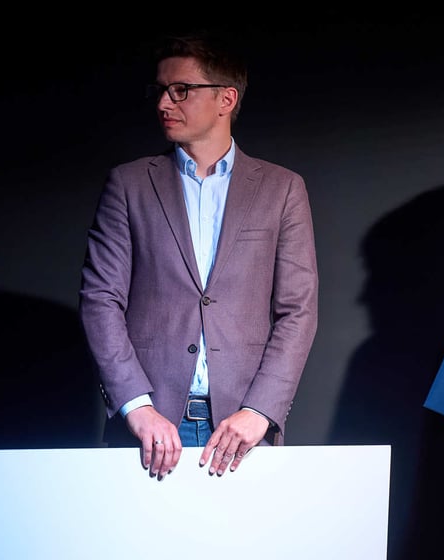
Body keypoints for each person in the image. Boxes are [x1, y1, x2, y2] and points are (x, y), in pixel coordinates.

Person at [79, 31, 318, 480]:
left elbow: (298, 310)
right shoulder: (129, 185)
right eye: (160, 90)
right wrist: (136, 405)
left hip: (242, 431)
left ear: (226, 98)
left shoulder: (282, 189)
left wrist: (260, 411)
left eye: (181, 90)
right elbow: (100, 300)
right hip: (150, 430)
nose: (164, 103)